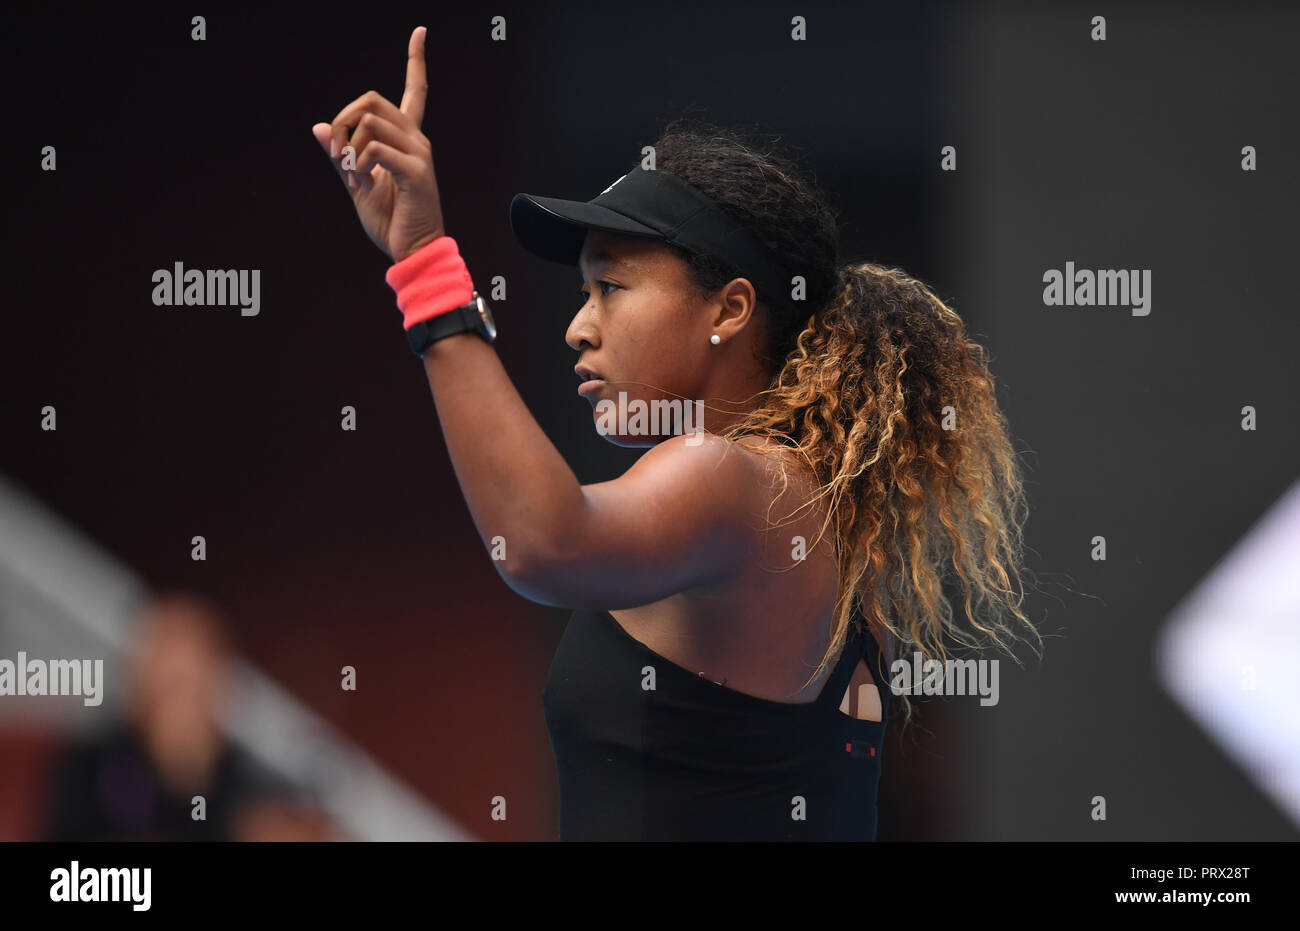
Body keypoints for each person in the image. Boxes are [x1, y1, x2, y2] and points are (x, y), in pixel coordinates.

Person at [311, 26, 1041, 840]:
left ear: (728, 309)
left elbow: (541, 541)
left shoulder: (733, 480)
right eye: (583, 292)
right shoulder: (796, 499)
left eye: (611, 286)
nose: (578, 328)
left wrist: (424, 265)